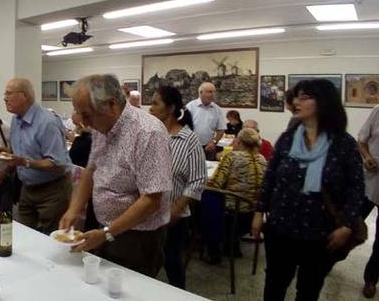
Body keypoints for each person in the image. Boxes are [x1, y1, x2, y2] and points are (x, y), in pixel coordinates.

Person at [251, 79, 365, 301]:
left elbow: (356, 188)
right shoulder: (288, 138)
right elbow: (270, 177)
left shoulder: (344, 144)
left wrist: (348, 225)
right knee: (274, 284)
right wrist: (258, 212)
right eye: (296, 97)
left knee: (309, 290)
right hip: (281, 228)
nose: (295, 102)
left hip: (320, 234)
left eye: (304, 97)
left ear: (323, 103)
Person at [59, 74, 171, 277]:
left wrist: (107, 233)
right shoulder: (100, 128)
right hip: (107, 228)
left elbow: (152, 199)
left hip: (138, 236)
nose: (84, 123)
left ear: (111, 105)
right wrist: (73, 210)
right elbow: (91, 170)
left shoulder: (147, 132)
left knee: (129, 289)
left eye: (87, 115)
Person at [149, 86, 207, 289]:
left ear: (171, 108)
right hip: (146, 213)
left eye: (156, 103)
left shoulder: (188, 139)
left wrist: (175, 210)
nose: (151, 108)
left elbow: (198, 180)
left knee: (172, 262)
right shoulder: (150, 134)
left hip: (174, 217)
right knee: (146, 262)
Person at [3, 78, 72, 233]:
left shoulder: (47, 123)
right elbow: (21, 152)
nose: (4, 98)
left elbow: (57, 163)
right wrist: (8, 154)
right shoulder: (16, 119)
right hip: (27, 188)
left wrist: (25, 162)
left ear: (23, 96)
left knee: (53, 238)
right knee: (24, 234)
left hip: (53, 190)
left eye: (8, 93)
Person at [207, 128, 265, 263]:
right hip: (253, 213)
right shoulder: (262, 159)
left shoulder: (232, 157)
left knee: (206, 198)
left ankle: (212, 250)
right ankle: (231, 245)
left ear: (238, 141)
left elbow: (215, 184)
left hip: (231, 214)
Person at [358, 104, 379, 298]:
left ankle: (371, 279)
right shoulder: (377, 111)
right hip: (370, 181)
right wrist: (366, 157)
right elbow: (362, 140)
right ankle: (326, 261)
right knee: (350, 224)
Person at [67, 112, 97, 230]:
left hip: (81, 183)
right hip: (82, 183)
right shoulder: (90, 138)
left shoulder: (86, 139)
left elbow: (72, 156)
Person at [186, 82, 226, 160]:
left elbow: (221, 130)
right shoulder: (190, 107)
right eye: (210, 92)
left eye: (214, 92)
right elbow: (182, 127)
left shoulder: (217, 109)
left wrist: (214, 142)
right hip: (190, 147)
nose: (212, 94)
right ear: (201, 92)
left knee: (210, 170)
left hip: (209, 148)